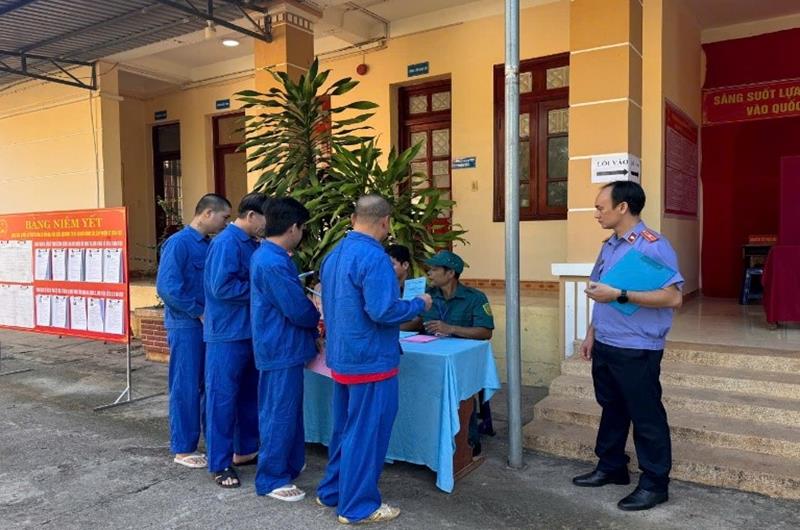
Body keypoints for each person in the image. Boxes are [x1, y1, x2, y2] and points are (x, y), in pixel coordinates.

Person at [316, 195, 432, 525]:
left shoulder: (334, 254)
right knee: (366, 434)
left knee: (345, 430)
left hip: (343, 358)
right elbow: (383, 310)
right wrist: (419, 304)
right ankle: (358, 506)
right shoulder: (375, 257)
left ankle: (333, 490)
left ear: (354, 219)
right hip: (371, 361)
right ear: (385, 222)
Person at [573, 180, 683, 511]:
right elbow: (600, 292)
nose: (596, 214)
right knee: (612, 408)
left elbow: (673, 298)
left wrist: (621, 294)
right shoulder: (610, 245)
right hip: (607, 341)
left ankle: (654, 483)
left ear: (622, 207)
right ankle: (611, 466)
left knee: (645, 414)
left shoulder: (652, 246)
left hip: (637, 347)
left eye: (600, 207)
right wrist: (591, 333)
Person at [251, 197, 320, 502]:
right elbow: (296, 308)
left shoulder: (272, 256)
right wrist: (316, 315)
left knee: (287, 410)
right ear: (293, 228)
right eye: (302, 228)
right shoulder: (272, 261)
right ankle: (271, 477)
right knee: (278, 412)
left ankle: (288, 465)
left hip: (284, 345)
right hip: (280, 346)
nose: (301, 234)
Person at [156, 193, 231, 469]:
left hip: (207, 325)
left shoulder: (210, 245)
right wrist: (198, 311)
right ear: (208, 213)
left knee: (207, 385)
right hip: (186, 325)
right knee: (185, 385)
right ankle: (183, 447)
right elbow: (167, 288)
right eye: (224, 217)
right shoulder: (179, 244)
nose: (226, 223)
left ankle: (213, 443)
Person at [203, 192, 267, 488]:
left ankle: (245, 450)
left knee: (248, 397)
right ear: (251, 216)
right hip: (227, 335)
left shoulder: (252, 243)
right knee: (222, 399)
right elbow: (222, 287)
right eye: (266, 219)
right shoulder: (227, 243)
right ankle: (220, 463)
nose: (268, 226)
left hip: (249, 332)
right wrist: (261, 289)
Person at [420, 249, 496, 449]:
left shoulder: (475, 298)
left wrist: (451, 329)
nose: (429, 273)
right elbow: (415, 323)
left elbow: (485, 331)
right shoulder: (427, 296)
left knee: (462, 391)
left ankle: (467, 443)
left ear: (450, 273)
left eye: (434, 269)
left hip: (463, 362)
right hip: (432, 358)